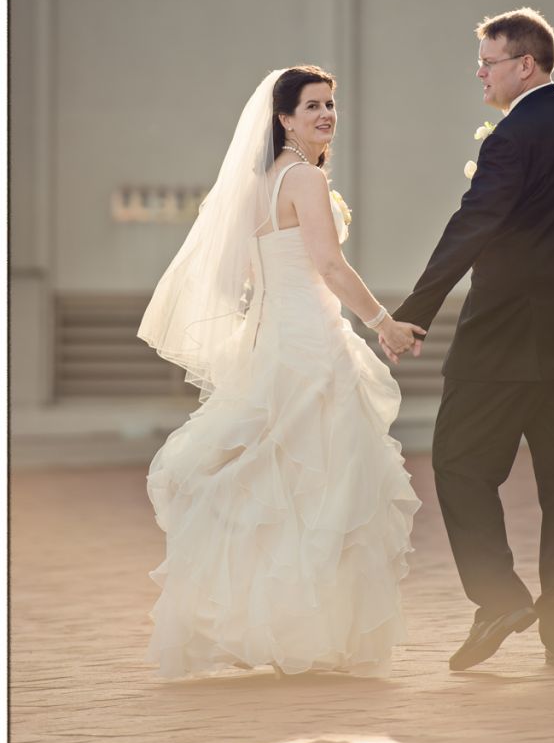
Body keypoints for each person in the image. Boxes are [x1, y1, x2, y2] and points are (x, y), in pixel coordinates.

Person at [138, 65, 424, 679]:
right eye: (312, 106)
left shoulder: (258, 182)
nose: (326, 114)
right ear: (284, 119)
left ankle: (266, 626)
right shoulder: (304, 180)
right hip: (312, 345)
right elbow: (329, 264)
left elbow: (237, 273)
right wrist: (384, 322)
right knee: (324, 488)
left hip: (273, 342)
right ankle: (305, 631)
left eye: (331, 104)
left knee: (277, 488)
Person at [383, 8, 554, 671]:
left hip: (504, 337)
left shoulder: (512, 137)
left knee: (459, 463)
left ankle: (498, 596)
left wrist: (416, 310)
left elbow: (475, 224)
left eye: (489, 62)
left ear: (526, 63)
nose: (480, 73)